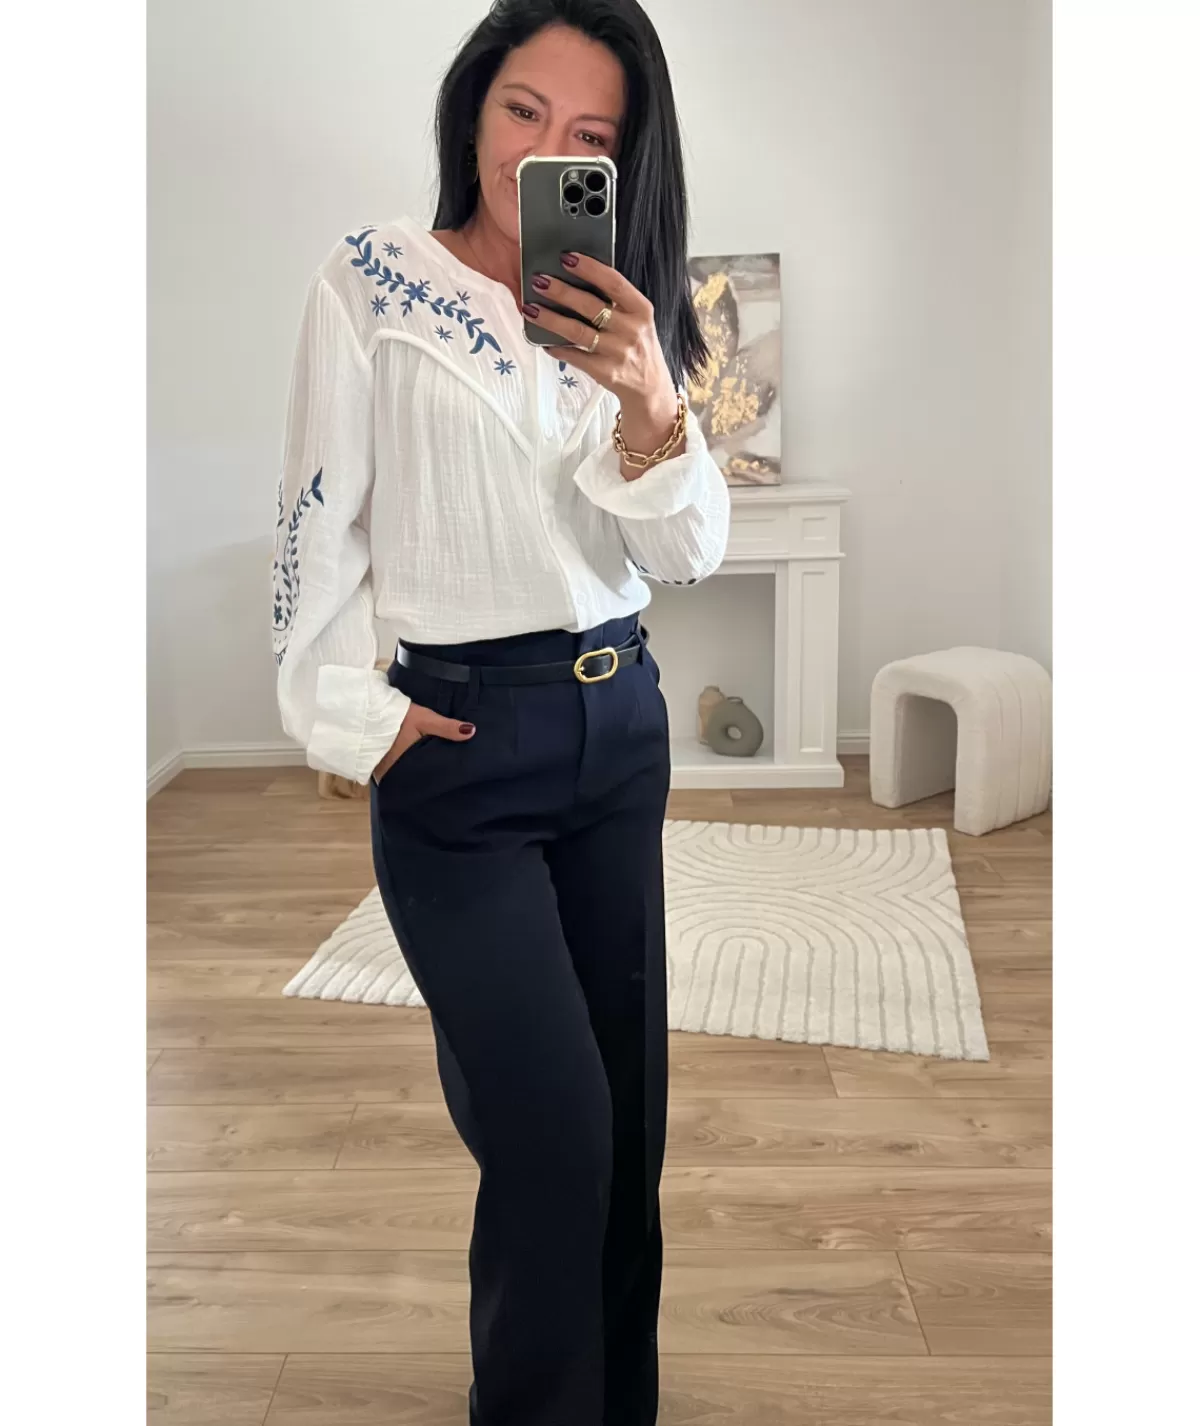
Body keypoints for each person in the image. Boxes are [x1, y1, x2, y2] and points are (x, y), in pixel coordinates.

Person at [271, 2, 730, 1421]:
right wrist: (354, 716)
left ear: (623, 162)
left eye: (588, 135)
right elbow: (314, 526)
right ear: (472, 105)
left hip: (617, 728)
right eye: (523, 110)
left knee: (625, 1127)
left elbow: (683, 552)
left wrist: (646, 395)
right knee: (551, 1133)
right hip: (460, 751)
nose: (543, 150)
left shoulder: (624, 311)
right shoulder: (373, 280)